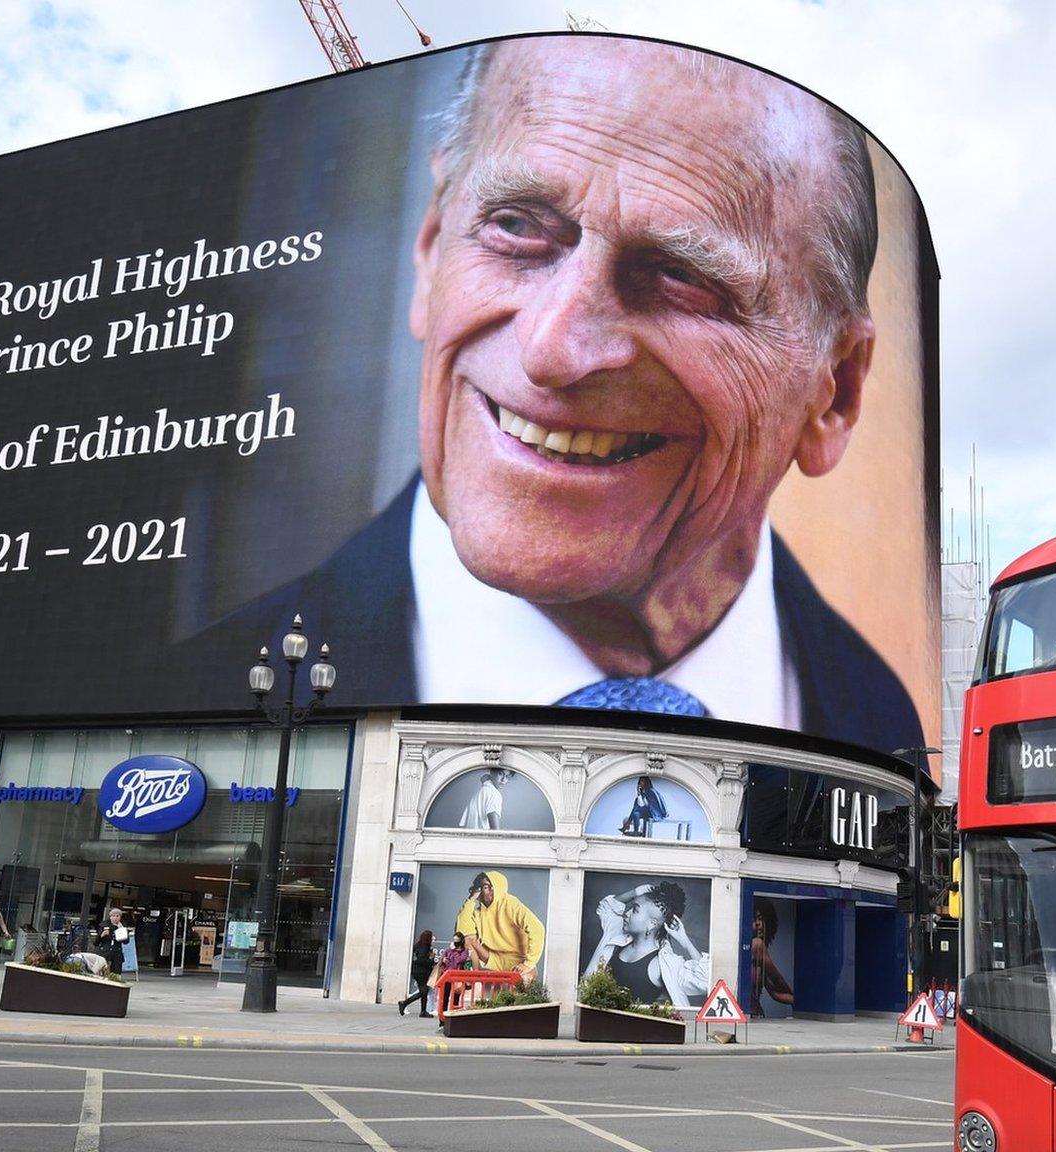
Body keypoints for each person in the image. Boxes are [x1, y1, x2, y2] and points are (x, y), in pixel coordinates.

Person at [170, 37, 924, 755]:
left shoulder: (888, 726)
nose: (551, 348)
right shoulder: (189, 699)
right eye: (516, 226)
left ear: (836, 393)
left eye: (680, 277)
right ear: (432, 249)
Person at [583, 881, 711, 1009]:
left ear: (652, 923)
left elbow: (706, 979)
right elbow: (607, 908)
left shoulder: (665, 964)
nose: (626, 913)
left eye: (634, 910)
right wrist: (634, 893)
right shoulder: (617, 934)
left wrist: (684, 941)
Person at [454, 871, 544, 978]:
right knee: (467, 939)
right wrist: (471, 899)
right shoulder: (477, 913)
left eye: (494, 886)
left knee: (524, 982)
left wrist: (528, 964)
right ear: (479, 891)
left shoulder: (510, 903)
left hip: (518, 959)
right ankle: (475, 976)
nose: (492, 890)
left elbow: (537, 928)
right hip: (493, 958)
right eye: (486, 887)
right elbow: (462, 932)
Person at [748, 901, 794, 1015]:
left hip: (754, 1014)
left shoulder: (756, 947)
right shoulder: (756, 945)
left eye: (761, 918)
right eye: (754, 919)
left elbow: (774, 992)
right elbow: (777, 980)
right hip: (753, 1014)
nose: (759, 924)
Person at [396, 929, 436, 1016]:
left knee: (424, 990)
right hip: (421, 972)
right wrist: (432, 961)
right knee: (423, 991)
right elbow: (421, 960)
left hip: (417, 971)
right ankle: (405, 1003)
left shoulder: (418, 945)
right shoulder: (425, 947)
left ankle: (423, 1011)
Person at [99, 907, 139, 982]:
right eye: (113, 916)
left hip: (117, 953)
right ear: (110, 916)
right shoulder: (104, 925)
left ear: (120, 917)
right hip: (105, 952)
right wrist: (102, 935)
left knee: (116, 974)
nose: (115, 918)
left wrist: (121, 931)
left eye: (117, 916)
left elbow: (126, 941)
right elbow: (96, 942)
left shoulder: (122, 926)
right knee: (104, 973)